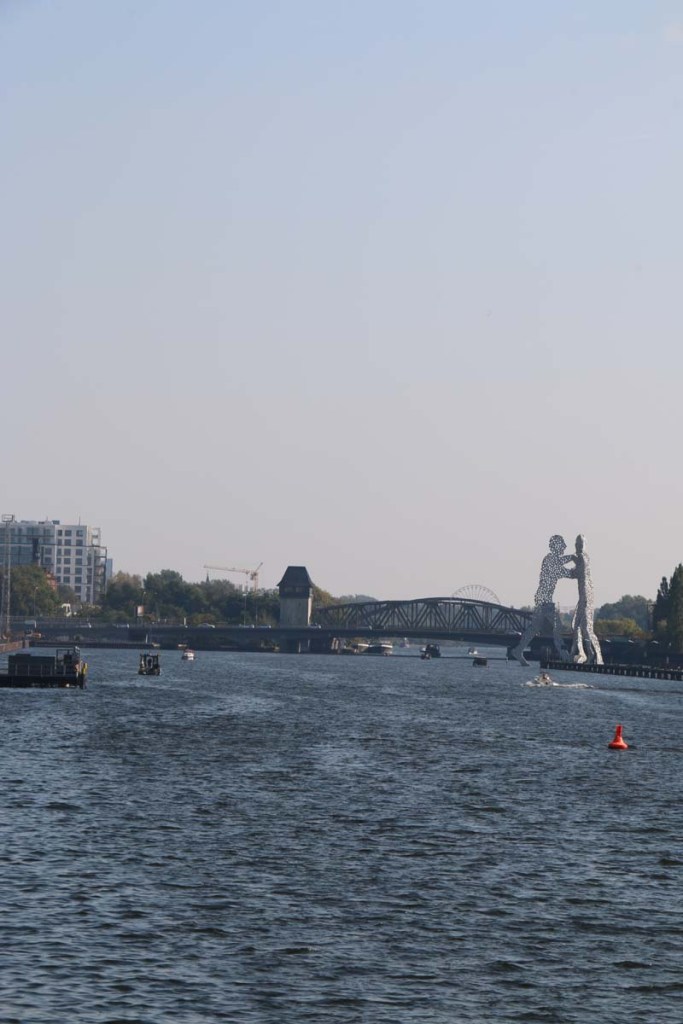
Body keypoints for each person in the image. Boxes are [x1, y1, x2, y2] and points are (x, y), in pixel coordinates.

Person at [512, 535, 576, 666]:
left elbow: (562, 566)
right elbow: (565, 572)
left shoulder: (552, 560)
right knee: (557, 627)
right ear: (556, 546)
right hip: (544, 600)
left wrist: (573, 559)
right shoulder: (550, 559)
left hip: (542, 598)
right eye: (562, 544)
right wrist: (575, 560)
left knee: (534, 628)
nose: (564, 547)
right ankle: (566, 657)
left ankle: (518, 650)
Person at [570, 534, 603, 665]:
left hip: (586, 598)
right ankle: (581, 653)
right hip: (583, 597)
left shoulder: (583, 558)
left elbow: (577, 566)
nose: (578, 547)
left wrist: (560, 561)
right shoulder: (581, 560)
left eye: (581, 545)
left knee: (586, 629)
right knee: (576, 627)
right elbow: (574, 573)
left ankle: (595, 655)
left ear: (584, 546)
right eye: (577, 544)